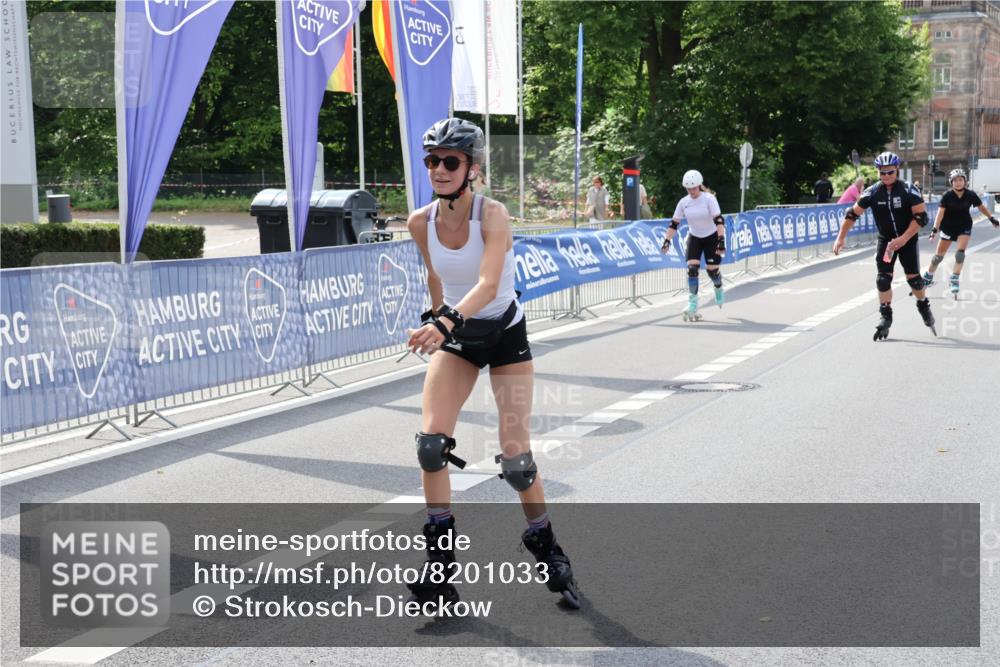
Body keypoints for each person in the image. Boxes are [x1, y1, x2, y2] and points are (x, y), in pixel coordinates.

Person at [405, 118, 580, 609]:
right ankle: (440, 562)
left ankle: (544, 541)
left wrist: (445, 321)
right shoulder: (420, 222)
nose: (439, 169)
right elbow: (436, 277)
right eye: (432, 160)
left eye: (450, 161)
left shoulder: (493, 216)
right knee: (431, 447)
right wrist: (436, 317)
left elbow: (487, 283)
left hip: (503, 336)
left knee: (517, 461)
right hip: (458, 339)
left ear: (473, 168)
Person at [832, 152, 936, 340]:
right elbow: (852, 214)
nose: (886, 176)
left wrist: (903, 239)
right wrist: (840, 238)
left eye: (890, 172)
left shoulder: (909, 189)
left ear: (897, 170)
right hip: (886, 241)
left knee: (914, 280)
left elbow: (921, 218)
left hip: (907, 240)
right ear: (878, 172)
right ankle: (885, 317)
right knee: (882, 279)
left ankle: (923, 304)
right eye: (882, 173)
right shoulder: (872, 192)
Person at [660, 169, 726, 321]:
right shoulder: (684, 202)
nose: (691, 191)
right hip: (695, 236)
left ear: (699, 186)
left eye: (694, 188)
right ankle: (692, 304)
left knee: (712, 271)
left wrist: (721, 240)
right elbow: (674, 223)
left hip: (711, 237)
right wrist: (667, 240)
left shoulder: (709, 199)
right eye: (688, 189)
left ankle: (718, 287)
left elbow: (719, 220)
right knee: (692, 269)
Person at [922, 168, 999, 297]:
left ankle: (954, 278)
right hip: (948, 227)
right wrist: (934, 229)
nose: (958, 183)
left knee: (960, 255)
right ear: (951, 182)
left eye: (960, 180)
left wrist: (991, 219)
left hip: (964, 226)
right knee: (938, 257)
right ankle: (928, 277)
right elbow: (940, 214)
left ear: (965, 181)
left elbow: (981, 207)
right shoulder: (947, 196)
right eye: (955, 180)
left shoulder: (970, 195)